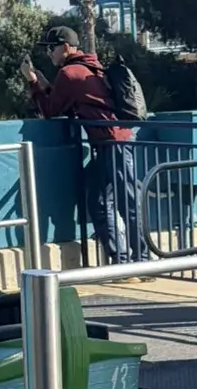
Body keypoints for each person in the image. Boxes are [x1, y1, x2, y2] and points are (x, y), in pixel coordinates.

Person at [21, 24, 142, 264]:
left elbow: (50, 109)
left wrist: (33, 81)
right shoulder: (87, 66)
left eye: (51, 49)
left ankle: (143, 260)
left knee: (126, 201)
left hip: (112, 142)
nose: (49, 54)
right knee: (98, 202)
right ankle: (122, 260)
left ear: (65, 48)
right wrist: (44, 84)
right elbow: (69, 99)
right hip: (111, 142)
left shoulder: (70, 73)